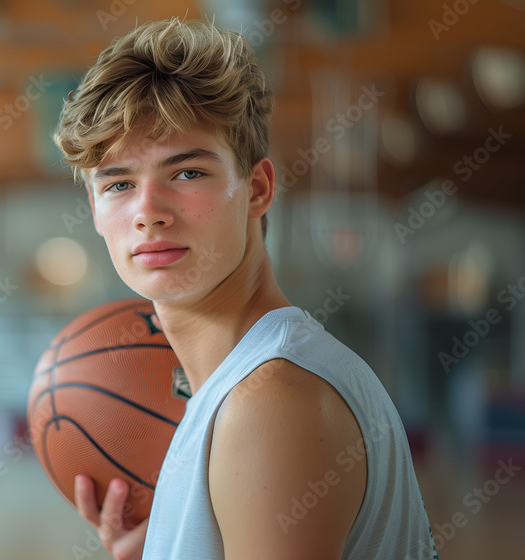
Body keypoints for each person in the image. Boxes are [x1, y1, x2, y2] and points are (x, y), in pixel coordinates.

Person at [52, 17, 438, 560]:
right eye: (118, 184)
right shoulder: (253, 382)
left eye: (187, 173)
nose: (147, 213)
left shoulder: (270, 403)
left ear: (257, 188)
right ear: (94, 209)